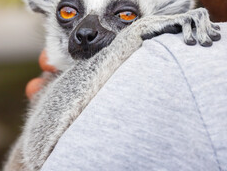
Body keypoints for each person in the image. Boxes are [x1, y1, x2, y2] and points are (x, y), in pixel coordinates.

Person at [26, 24, 227, 170]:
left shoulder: (171, 61)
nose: (85, 31)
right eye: (69, 13)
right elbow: (34, 152)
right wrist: (131, 34)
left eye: (124, 15)